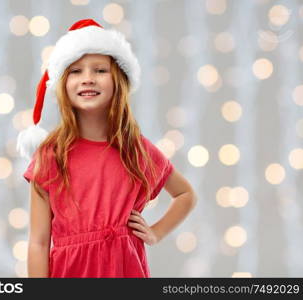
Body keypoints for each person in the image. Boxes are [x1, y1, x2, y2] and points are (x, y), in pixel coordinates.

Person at [17, 19, 197, 278]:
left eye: (100, 70)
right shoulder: (51, 155)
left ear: (118, 81)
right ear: (63, 84)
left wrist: (156, 232)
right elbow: (38, 243)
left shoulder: (136, 150)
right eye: (76, 71)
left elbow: (185, 194)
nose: (88, 79)